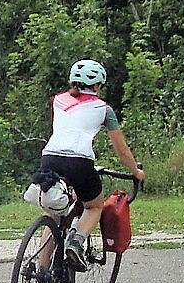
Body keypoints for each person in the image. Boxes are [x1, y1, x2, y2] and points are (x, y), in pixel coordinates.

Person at [37, 59, 144, 271]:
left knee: (54, 214)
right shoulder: (104, 109)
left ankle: (41, 272)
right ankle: (76, 242)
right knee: (95, 205)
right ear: (96, 86)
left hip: (49, 158)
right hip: (80, 161)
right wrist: (136, 172)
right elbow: (122, 150)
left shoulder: (58, 101)